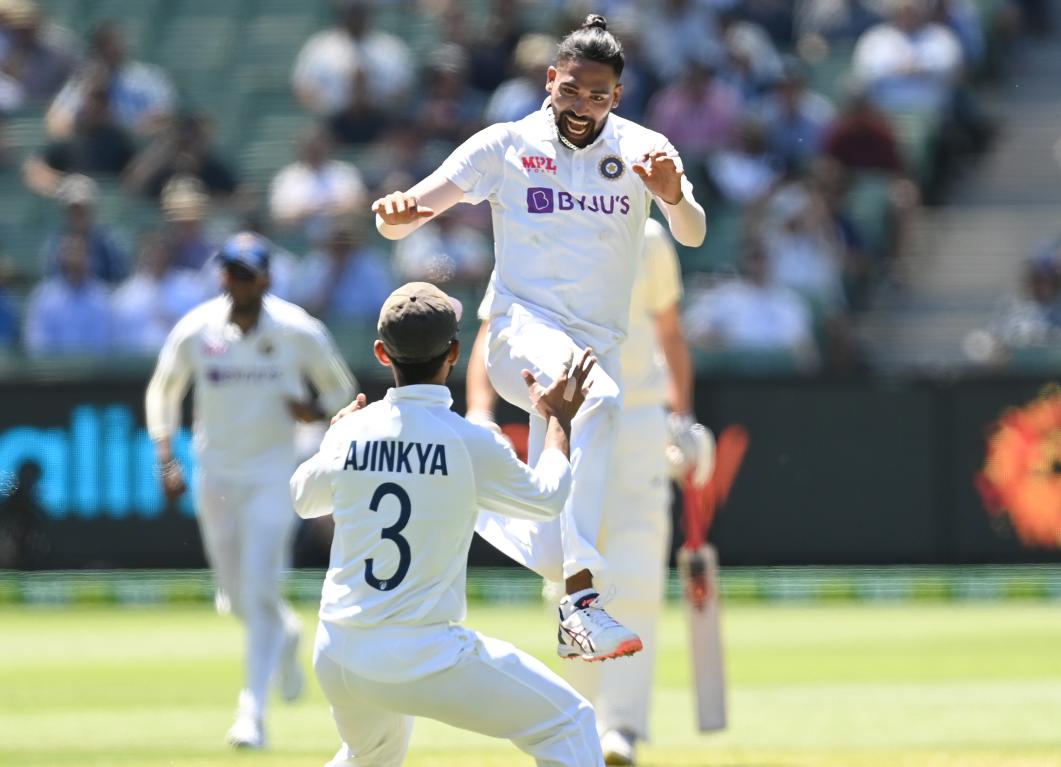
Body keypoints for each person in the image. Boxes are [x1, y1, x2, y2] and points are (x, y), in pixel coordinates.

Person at [371, 14, 706, 661]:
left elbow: (690, 231)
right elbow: (412, 211)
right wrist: (394, 215)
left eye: (598, 94)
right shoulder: (504, 144)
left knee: (558, 533)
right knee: (602, 399)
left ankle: (490, 507)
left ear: (617, 96)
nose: (583, 106)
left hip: (594, 344)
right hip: (518, 334)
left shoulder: (642, 149)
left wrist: (671, 196)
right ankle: (580, 605)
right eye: (572, 89)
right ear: (550, 80)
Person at [290, 281, 605, 767]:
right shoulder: (466, 441)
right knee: (570, 723)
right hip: (420, 653)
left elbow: (303, 499)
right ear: (455, 352)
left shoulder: (352, 429)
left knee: (369, 756)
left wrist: (335, 438)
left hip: (337, 651)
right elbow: (548, 499)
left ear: (380, 353)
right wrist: (559, 424)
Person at [466, 220, 714, 765]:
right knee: (567, 573)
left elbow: (668, 330)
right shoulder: (533, 226)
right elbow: (494, 326)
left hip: (640, 417)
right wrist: (480, 412)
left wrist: (682, 416)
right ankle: (578, 717)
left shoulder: (647, 237)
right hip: (564, 419)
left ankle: (620, 726)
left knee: (638, 563)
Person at [144, 232, 358, 749]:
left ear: (266, 278)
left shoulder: (296, 330)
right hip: (215, 473)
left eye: (244, 272)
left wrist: (312, 412)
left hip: (273, 475)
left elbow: (341, 392)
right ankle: (284, 634)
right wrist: (166, 457)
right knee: (236, 598)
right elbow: (164, 390)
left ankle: (252, 715)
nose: (234, 281)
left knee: (260, 586)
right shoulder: (198, 330)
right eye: (228, 271)